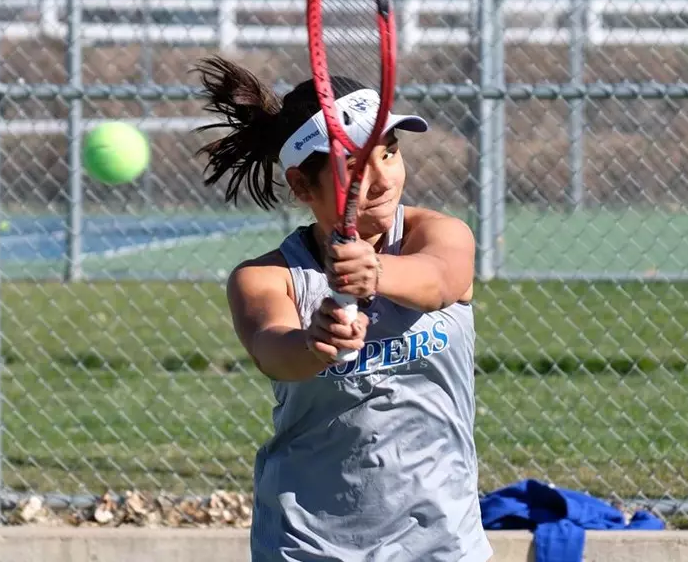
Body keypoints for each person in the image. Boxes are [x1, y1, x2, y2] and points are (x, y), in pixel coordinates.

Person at [193, 56, 493, 562]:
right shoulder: (264, 277)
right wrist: (314, 344)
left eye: (389, 153)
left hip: (442, 540)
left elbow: (442, 279)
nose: (381, 179)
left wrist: (375, 272)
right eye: (353, 166)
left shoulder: (437, 233)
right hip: (309, 544)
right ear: (301, 185)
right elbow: (273, 350)